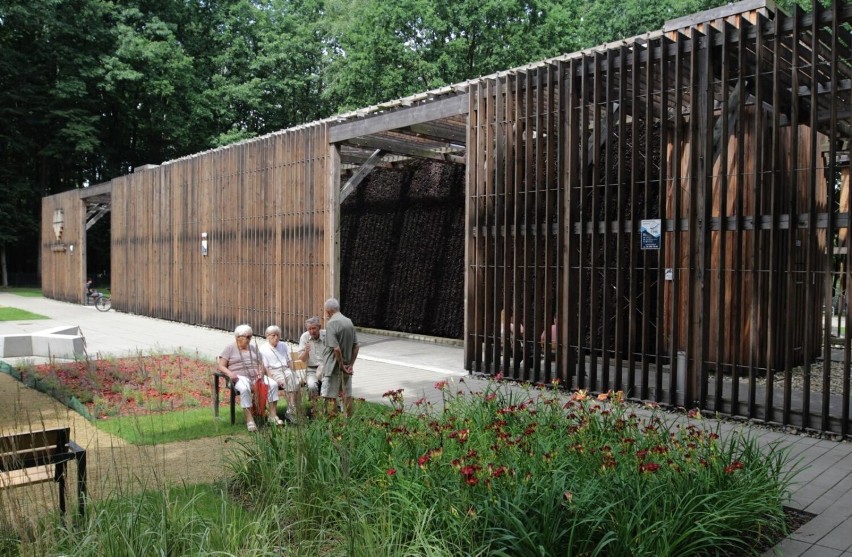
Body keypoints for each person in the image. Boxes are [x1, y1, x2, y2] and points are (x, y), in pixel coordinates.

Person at [218, 324, 282, 431]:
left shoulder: (253, 348)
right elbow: (221, 366)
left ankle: (272, 416)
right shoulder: (229, 348)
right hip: (239, 377)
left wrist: (261, 371)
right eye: (247, 337)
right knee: (244, 388)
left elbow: (260, 363)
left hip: (255, 377)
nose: (249, 339)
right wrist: (229, 373)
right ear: (238, 337)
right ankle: (250, 420)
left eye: (251, 337)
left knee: (273, 384)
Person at [321, 298, 358, 418]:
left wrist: (341, 365)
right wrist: (350, 364)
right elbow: (356, 346)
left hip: (333, 366)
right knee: (347, 394)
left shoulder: (331, 323)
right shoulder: (349, 321)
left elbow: (336, 348)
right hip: (347, 365)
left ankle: (333, 423)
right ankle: (348, 420)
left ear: (328, 311)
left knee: (330, 395)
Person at [259, 325, 301, 422]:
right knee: (293, 381)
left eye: (278, 335)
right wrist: (274, 379)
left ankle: (291, 410)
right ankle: (292, 411)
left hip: (286, 370)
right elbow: (266, 367)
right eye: (273, 335)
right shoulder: (263, 348)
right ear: (267, 336)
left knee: (295, 379)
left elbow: (289, 362)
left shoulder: (283, 345)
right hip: (274, 372)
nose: (276, 338)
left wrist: (294, 372)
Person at [297, 316, 324, 409]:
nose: (312, 331)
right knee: (312, 386)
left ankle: (331, 409)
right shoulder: (304, 337)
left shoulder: (326, 335)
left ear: (319, 327)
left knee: (329, 384)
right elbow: (302, 359)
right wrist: (306, 351)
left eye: (314, 328)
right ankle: (315, 408)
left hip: (325, 369)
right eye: (309, 329)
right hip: (311, 370)